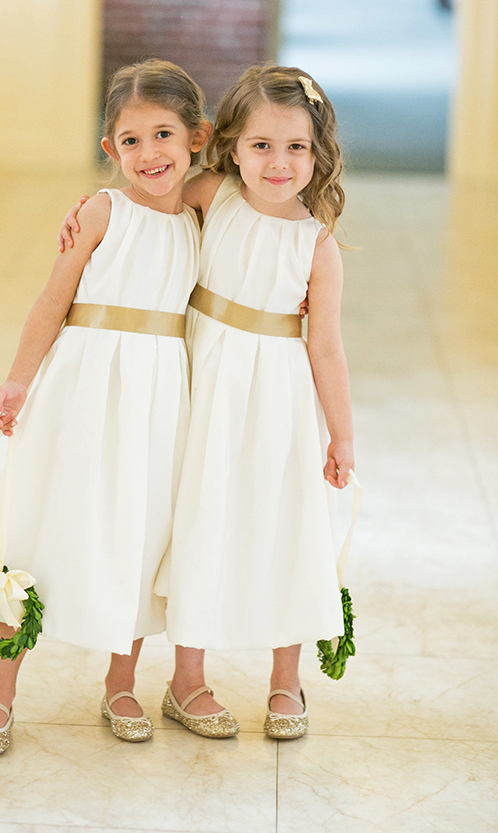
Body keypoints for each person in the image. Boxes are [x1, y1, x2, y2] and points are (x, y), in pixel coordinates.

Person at [0, 58, 211, 754]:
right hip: (81, 384)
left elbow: (259, 188)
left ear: (196, 138)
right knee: (35, 526)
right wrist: (19, 379)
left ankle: (121, 680)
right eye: (130, 140)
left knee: (143, 528)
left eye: (164, 134)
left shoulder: (205, 210)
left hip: (159, 392)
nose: (149, 154)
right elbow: (54, 299)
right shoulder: (104, 210)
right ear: (110, 150)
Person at [59, 65, 353, 741]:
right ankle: (185, 680)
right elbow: (142, 194)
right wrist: (85, 208)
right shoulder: (212, 194)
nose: (278, 163)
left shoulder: (318, 245)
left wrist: (342, 437)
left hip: (278, 392)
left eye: (296, 148)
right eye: (260, 146)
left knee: (287, 521)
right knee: (198, 518)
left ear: (319, 154)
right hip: (202, 380)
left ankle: (287, 678)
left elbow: (328, 348)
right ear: (230, 146)